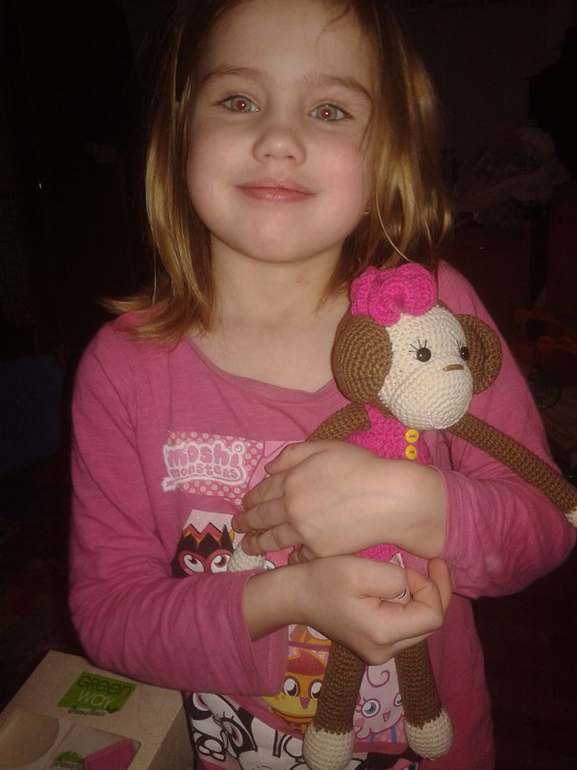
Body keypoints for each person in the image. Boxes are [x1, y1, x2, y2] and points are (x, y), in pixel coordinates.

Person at [68, 1, 575, 768]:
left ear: (387, 152)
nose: (278, 138)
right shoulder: (121, 367)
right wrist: (288, 599)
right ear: (177, 134)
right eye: (237, 100)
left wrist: (419, 505)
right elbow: (109, 614)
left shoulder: (429, 312)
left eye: (329, 109)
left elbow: (544, 523)